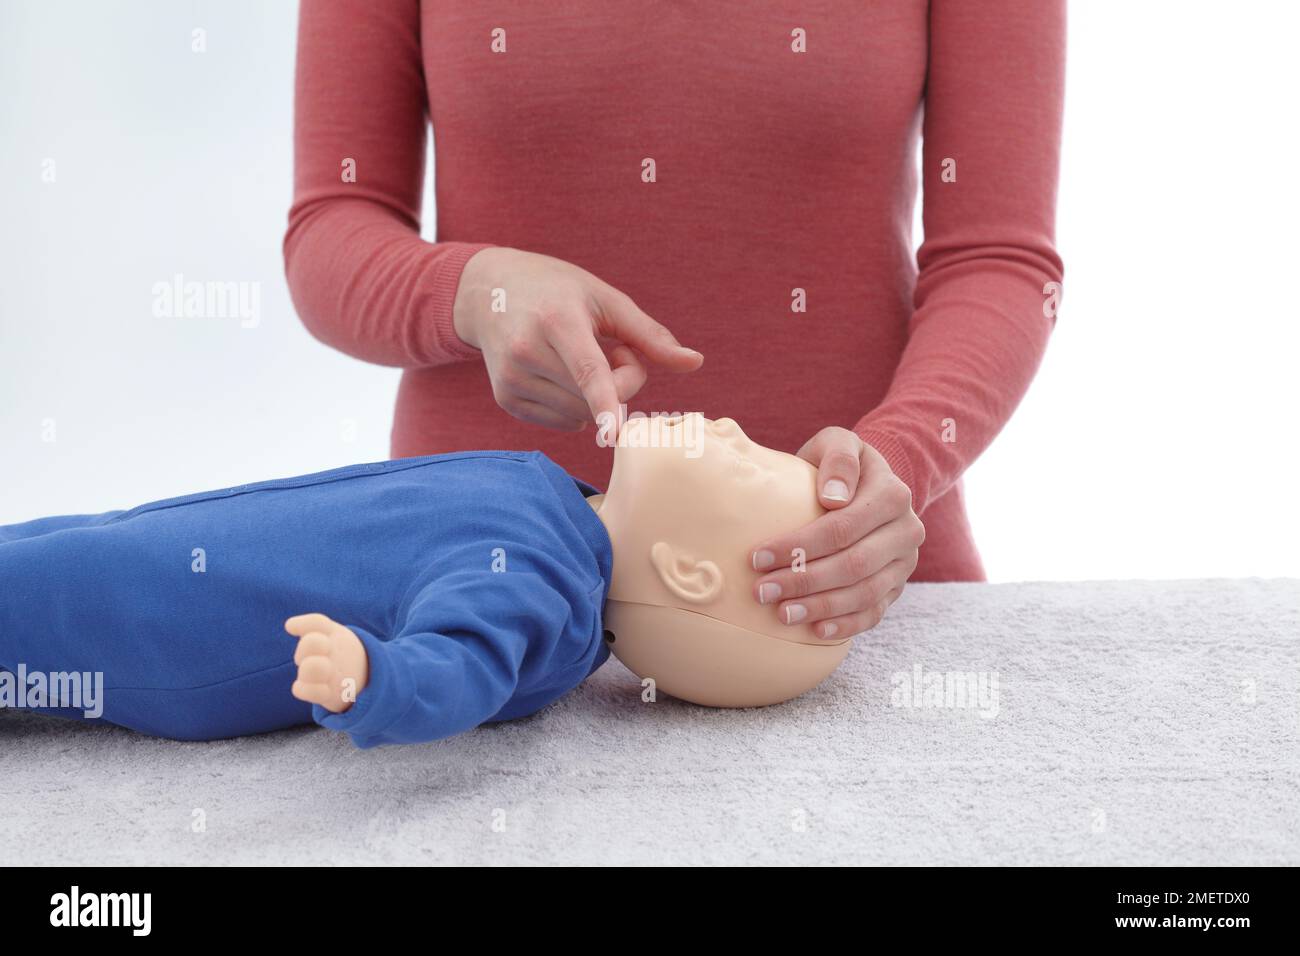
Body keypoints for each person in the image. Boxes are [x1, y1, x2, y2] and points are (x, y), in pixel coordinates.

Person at [284, 1, 1066, 640]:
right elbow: (331, 226)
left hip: (844, 596)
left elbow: (998, 259)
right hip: (476, 599)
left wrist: (899, 458)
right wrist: (473, 289)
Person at [0, 415, 881, 747]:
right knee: (52, 553)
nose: (731, 422)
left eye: (745, 457)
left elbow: (462, 665)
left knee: (37, 602)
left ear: (686, 573)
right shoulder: (563, 512)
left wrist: (373, 677)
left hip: (175, 621)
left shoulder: (544, 585)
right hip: (162, 547)